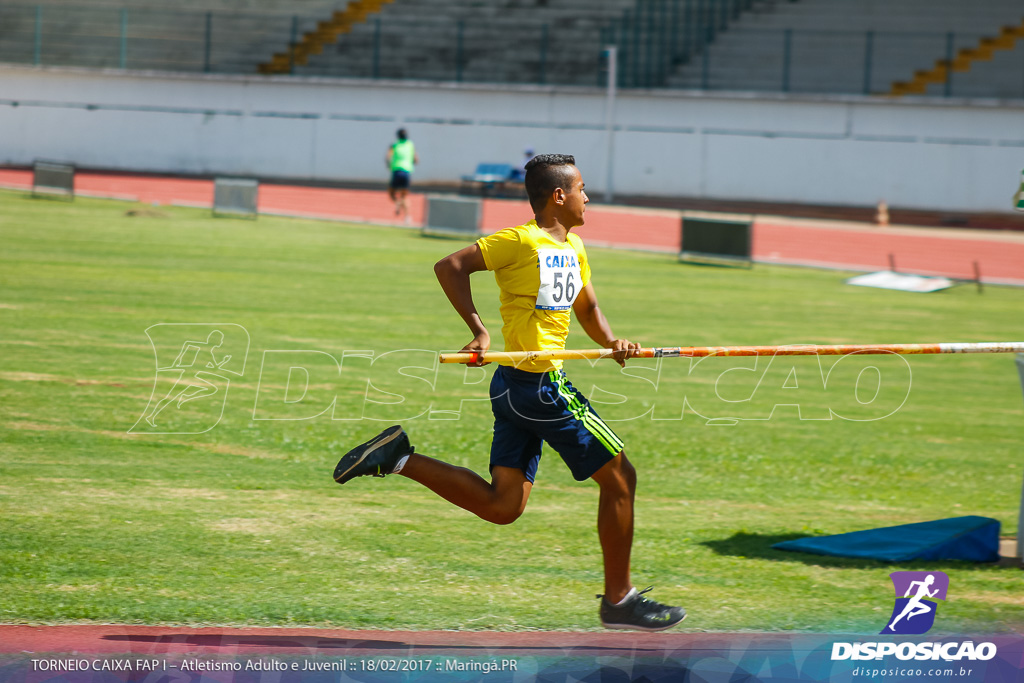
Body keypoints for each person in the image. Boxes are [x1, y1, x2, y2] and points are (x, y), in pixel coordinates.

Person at [333, 154, 686, 631]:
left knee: (504, 506)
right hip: (539, 386)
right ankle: (619, 600)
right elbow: (450, 266)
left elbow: (588, 307)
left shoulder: (575, 246)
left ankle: (397, 458)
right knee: (621, 478)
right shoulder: (519, 241)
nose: (588, 197)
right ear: (558, 196)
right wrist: (480, 333)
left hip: (516, 390)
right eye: (582, 189)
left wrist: (612, 342)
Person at [386, 128, 418, 222]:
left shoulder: (394, 145)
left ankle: (397, 202)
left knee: (391, 193)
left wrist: (389, 166)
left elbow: (388, 158)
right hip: (407, 172)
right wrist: (410, 165)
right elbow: (416, 159)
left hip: (396, 171)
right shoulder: (411, 145)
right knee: (405, 196)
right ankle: (407, 217)